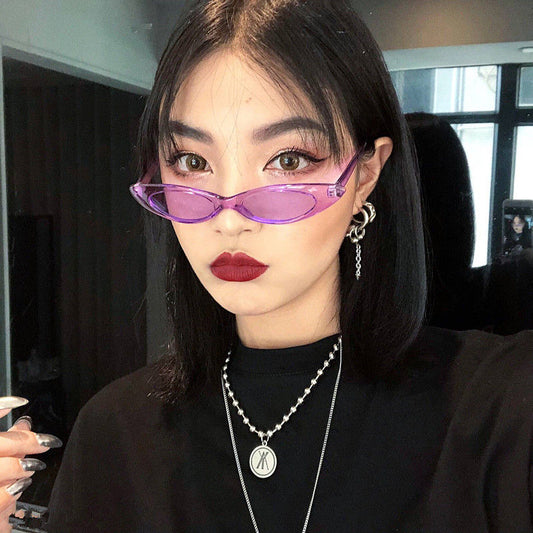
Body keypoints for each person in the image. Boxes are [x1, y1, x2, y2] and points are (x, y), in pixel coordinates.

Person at [1, 1, 532, 531]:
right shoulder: (114, 435)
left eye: (288, 160)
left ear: (365, 174)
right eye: (192, 161)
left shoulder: (498, 411)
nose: (229, 219)